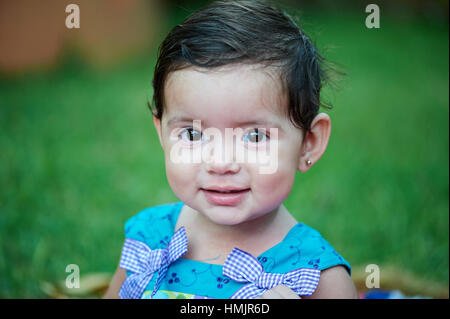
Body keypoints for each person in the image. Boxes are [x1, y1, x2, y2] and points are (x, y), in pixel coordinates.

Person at [104, 0, 357, 299]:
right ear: (162, 133)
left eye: (254, 136)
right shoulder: (149, 240)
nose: (221, 162)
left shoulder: (317, 278)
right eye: (192, 133)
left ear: (309, 143)